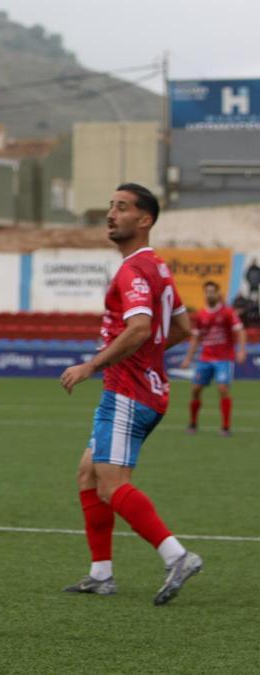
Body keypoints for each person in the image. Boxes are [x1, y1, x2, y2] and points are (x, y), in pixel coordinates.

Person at [59, 183, 201, 606]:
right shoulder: (158, 268)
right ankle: (101, 574)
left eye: (122, 208)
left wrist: (92, 365)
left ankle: (176, 555)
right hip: (147, 390)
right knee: (88, 474)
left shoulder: (132, 271)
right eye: (111, 206)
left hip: (127, 392)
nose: (111, 214)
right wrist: (147, 356)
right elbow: (182, 328)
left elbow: (139, 328)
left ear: (145, 219)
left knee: (110, 485)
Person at [180, 281, 246, 436]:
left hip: (224, 358)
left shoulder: (227, 312)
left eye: (212, 291)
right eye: (207, 291)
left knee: (223, 388)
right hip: (205, 358)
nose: (210, 294)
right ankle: (193, 423)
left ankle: (225, 427)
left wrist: (241, 350)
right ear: (204, 293)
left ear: (218, 293)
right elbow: (196, 339)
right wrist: (188, 358)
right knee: (195, 390)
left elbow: (241, 331)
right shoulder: (200, 315)